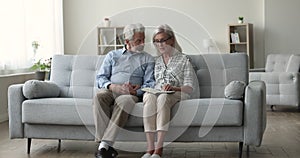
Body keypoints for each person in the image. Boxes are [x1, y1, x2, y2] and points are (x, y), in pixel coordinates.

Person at [94, 23, 155, 158]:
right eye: (138, 41)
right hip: (111, 89)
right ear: (127, 42)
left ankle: (104, 145)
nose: (143, 43)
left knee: (125, 101)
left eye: (143, 39)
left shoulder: (148, 59)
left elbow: (150, 83)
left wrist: (135, 92)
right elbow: (100, 78)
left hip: (130, 93)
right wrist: (113, 86)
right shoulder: (112, 55)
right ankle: (105, 145)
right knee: (99, 96)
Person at [141, 24, 196, 158]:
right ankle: (150, 148)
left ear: (171, 40)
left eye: (163, 40)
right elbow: (154, 83)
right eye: (157, 41)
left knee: (163, 98)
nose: (160, 44)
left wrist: (174, 88)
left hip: (178, 93)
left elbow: (189, 88)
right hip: (159, 92)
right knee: (149, 96)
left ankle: (159, 149)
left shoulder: (183, 59)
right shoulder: (156, 61)